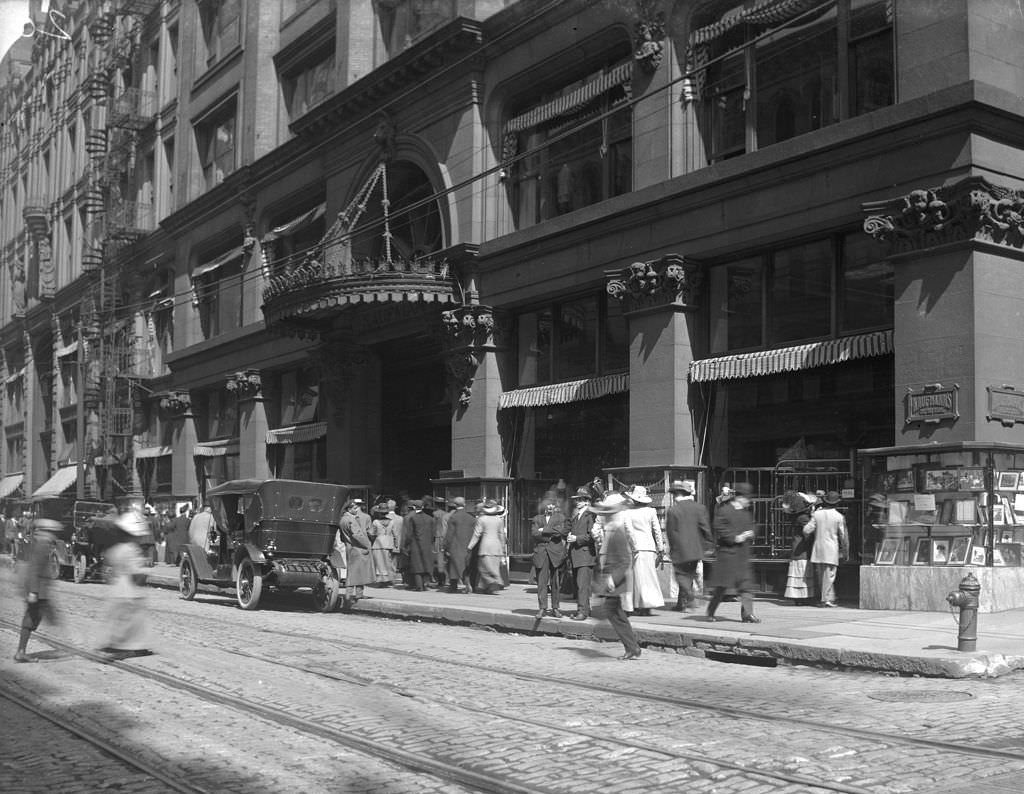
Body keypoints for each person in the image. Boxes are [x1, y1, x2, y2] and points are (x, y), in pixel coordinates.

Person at [590, 493, 641, 660]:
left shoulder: (617, 532)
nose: (603, 518)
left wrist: (612, 579)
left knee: (615, 615)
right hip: (611, 581)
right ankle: (632, 647)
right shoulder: (611, 531)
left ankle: (632, 647)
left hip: (614, 582)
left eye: (606, 515)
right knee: (617, 615)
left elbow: (624, 561)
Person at [98, 510, 152, 659]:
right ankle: (125, 649)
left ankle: (115, 645)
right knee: (134, 622)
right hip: (130, 591)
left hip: (117, 589)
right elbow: (135, 572)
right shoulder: (132, 550)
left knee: (118, 621)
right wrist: (145, 570)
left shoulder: (116, 549)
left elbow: (108, 569)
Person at [706, 482, 760, 623]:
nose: (748, 502)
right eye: (747, 499)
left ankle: (748, 614)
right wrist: (735, 537)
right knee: (721, 588)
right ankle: (711, 611)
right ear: (740, 498)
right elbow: (718, 526)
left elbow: (754, 526)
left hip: (742, 555)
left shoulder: (746, 513)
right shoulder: (725, 510)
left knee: (746, 586)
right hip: (727, 555)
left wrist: (751, 532)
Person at [14, 519, 60, 662]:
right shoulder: (41, 545)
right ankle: (21, 652)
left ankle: (21, 651)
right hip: (37, 589)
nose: (54, 535)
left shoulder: (43, 544)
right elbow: (34, 569)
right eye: (52, 532)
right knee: (31, 618)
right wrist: (33, 592)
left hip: (40, 589)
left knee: (34, 617)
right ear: (45, 532)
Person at [663, 479, 712, 612]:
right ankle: (682, 603)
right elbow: (705, 528)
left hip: (680, 549)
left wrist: (672, 549)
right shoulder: (700, 508)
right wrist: (708, 545)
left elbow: (671, 532)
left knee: (680, 575)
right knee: (689, 574)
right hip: (696, 550)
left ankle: (690, 598)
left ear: (676, 494)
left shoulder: (673, 510)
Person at [621, 485, 665, 616]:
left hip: (637, 548)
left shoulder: (628, 513)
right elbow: (657, 530)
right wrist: (660, 548)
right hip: (650, 547)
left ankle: (640, 605)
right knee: (649, 577)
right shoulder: (651, 511)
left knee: (638, 578)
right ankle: (647, 605)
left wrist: (633, 546)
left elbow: (629, 531)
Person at [802, 490, 849, 608]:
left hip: (818, 548)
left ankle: (827, 597)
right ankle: (825, 599)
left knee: (821, 575)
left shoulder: (817, 514)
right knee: (830, 575)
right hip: (831, 549)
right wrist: (845, 551)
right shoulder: (839, 516)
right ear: (836, 503)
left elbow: (806, 530)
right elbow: (843, 535)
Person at [530, 498, 568, 618]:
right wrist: (550, 535)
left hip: (555, 554)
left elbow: (560, 532)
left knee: (555, 582)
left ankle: (555, 608)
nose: (549, 507)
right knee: (541, 582)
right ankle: (542, 608)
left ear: (555, 506)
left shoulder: (560, 517)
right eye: (547, 505)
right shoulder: (537, 518)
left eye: (552, 505)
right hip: (541, 553)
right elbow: (534, 534)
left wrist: (544, 530)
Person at [564, 487, 597, 620]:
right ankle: (585, 609)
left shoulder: (590, 515)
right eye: (577, 499)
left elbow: (591, 536)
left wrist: (576, 538)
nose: (577, 502)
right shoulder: (578, 515)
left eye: (580, 500)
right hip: (577, 554)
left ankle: (582, 612)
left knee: (582, 585)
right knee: (580, 585)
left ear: (587, 501)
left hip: (585, 555)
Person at [781, 491, 817, 605]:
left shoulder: (796, 516)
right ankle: (801, 598)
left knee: (800, 572)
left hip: (798, 547)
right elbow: (809, 531)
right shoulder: (803, 518)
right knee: (802, 573)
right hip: (802, 548)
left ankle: (800, 598)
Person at [337, 499, 373, 610]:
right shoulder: (351, 520)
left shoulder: (343, 520)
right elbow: (358, 535)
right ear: (349, 509)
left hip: (350, 548)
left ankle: (350, 594)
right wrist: (367, 545)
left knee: (352, 571)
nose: (356, 510)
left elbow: (343, 537)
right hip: (358, 548)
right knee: (358, 572)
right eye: (354, 508)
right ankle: (356, 594)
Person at [467, 499, 507, 594]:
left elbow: (477, 534)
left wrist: (470, 546)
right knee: (494, 566)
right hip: (496, 546)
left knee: (483, 568)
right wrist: (502, 548)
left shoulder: (482, 519)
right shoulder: (499, 520)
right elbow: (501, 535)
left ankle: (496, 582)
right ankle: (488, 588)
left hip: (485, 546)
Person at [443, 496, 476, 594]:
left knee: (453, 566)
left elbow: (449, 534)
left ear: (454, 505)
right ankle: (468, 583)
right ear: (464, 504)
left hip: (455, 545)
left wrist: (445, 546)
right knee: (465, 565)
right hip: (468, 545)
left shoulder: (453, 517)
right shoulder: (471, 518)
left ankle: (453, 587)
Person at [402, 499, 436, 591]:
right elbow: (434, 534)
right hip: (427, 545)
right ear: (423, 507)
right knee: (426, 564)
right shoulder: (430, 518)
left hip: (415, 544)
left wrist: (405, 545)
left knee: (417, 565)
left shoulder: (413, 518)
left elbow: (409, 534)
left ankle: (419, 586)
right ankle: (425, 584)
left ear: (413, 507)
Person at [369, 502, 398, 585]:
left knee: (379, 563)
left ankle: (381, 580)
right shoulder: (392, 522)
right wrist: (396, 545)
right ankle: (388, 579)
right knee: (388, 562)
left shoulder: (375, 522)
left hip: (378, 544)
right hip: (388, 544)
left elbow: (372, 533)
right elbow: (395, 535)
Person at [429, 496, 451, 588]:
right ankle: (447, 579)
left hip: (438, 537)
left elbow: (433, 527)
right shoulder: (447, 514)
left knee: (438, 560)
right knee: (445, 559)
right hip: (445, 537)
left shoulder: (435, 514)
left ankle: (440, 579)